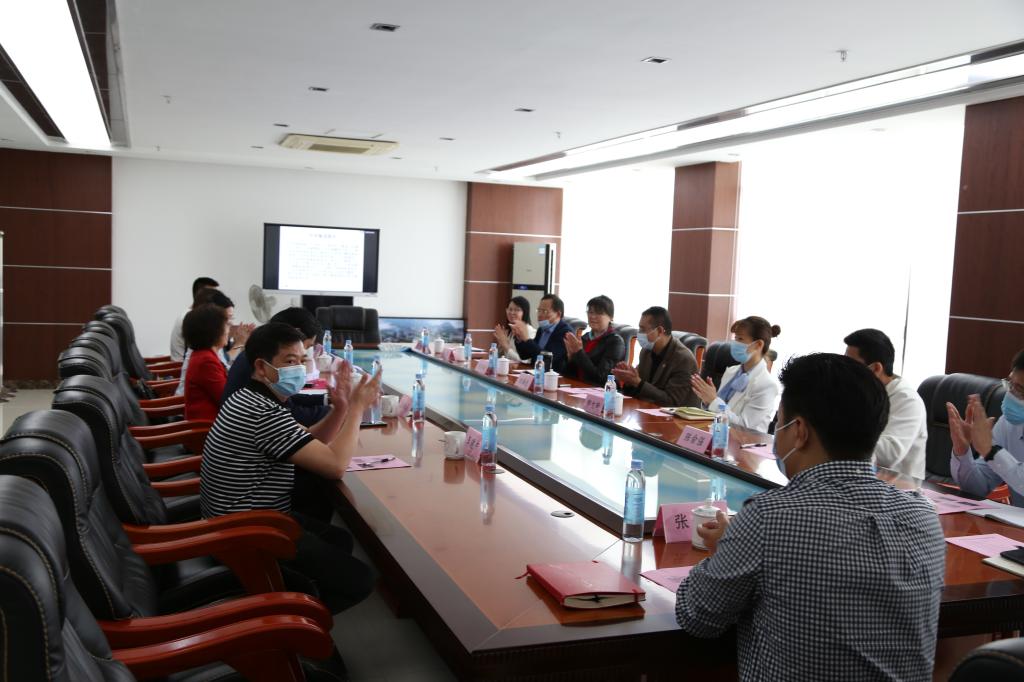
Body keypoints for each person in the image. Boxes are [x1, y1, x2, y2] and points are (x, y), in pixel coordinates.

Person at [676, 353, 945, 681]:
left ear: (799, 431)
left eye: (780, 421)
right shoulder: (923, 517)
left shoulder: (769, 518)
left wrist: (726, 550)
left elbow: (697, 615)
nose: (777, 432)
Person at [200, 322, 378, 614]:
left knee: (339, 539)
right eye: (289, 361)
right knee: (360, 580)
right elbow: (335, 466)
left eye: (302, 360)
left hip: (246, 519)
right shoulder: (262, 412)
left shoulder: (252, 397)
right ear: (261, 367)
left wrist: (342, 408)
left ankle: (299, 596)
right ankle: (290, 621)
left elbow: (309, 440)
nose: (299, 368)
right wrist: (359, 408)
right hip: (249, 532)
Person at [844, 328, 928, 480]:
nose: (846, 372)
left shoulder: (907, 400)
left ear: (876, 368)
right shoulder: (861, 393)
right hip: (861, 481)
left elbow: (890, 454)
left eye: (852, 367)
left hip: (900, 489)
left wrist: (837, 437)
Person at [948, 349, 1024, 507]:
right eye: (1010, 384)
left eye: (1020, 389)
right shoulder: (1008, 424)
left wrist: (991, 450)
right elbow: (979, 487)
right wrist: (962, 451)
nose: (1010, 395)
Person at [690, 316, 780, 432]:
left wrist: (713, 400)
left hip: (746, 441)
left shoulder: (766, 385)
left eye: (740, 339)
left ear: (758, 345)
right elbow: (717, 412)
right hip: (718, 434)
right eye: (735, 338)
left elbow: (745, 427)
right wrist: (707, 401)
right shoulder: (731, 371)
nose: (735, 343)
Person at [612, 306, 698, 407]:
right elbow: (638, 390)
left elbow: (672, 401)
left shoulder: (683, 359)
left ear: (660, 331)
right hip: (648, 409)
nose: (639, 333)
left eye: (643, 329)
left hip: (676, 415)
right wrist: (628, 380)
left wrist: (638, 383)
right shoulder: (646, 352)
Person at [174, 289, 253, 397]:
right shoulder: (206, 360)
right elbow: (226, 396)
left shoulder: (206, 351)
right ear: (212, 328)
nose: (230, 326)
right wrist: (240, 345)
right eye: (226, 322)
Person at [181, 303, 231, 422]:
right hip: (208, 428)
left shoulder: (203, 355)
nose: (228, 330)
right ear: (213, 331)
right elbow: (227, 399)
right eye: (225, 325)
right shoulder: (206, 361)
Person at [563, 295, 625, 386]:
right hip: (578, 388)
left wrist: (579, 353)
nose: (592, 316)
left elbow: (601, 377)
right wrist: (570, 357)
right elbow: (569, 375)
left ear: (611, 317)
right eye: (590, 312)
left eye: (599, 313)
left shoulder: (615, 342)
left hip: (601, 391)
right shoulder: (584, 338)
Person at [512, 293, 573, 373]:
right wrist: (519, 339)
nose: (539, 315)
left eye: (544, 311)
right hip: (536, 373)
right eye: (539, 310)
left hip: (553, 376)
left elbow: (549, 359)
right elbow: (524, 355)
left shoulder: (565, 332)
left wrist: (527, 339)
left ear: (558, 314)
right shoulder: (541, 330)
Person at [169, 276, 219, 361]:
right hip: (182, 366)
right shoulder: (192, 318)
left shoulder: (193, 314)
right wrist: (237, 345)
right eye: (214, 295)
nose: (218, 299)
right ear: (201, 295)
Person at [493, 296, 535, 364]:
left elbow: (526, 361)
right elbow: (504, 358)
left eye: (517, 310)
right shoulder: (511, 330)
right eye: (510, 309)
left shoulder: (529, 331)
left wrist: (505, 345)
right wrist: (501, 346)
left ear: (525, 312)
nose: (512, 312)